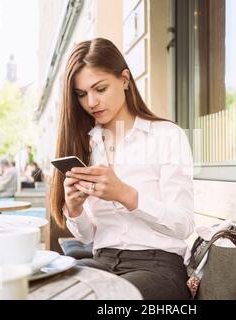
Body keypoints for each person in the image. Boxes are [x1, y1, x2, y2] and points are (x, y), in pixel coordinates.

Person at [50, 38, 194, 300]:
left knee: (106, 299)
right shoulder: (88, 144)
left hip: (158, 266)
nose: (91, 102)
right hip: (102, 261)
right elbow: (86, 237)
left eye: (100, 88)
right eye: (81, 94)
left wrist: (124, 194)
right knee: (50, 289)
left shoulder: (166, 136)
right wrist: (75, 208)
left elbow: (183, 225)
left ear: (125, 79)